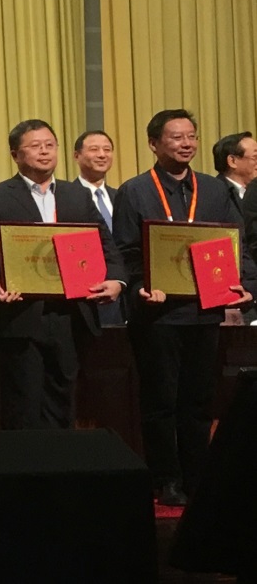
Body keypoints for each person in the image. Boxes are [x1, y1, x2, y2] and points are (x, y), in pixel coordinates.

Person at [114, 109, 256, 506]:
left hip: (205, 311)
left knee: (199, 400)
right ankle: (166, 478)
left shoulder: (213, 190)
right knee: (160, 400)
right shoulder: (134, 191)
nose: (186, 143)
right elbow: (125, 252)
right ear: (154, 143)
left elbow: (237, 245)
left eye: (191, 136)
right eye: (176, 137)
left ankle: (197, 476)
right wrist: (141, 288)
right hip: (157, 315)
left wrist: (246, 287)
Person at [0, 120, 124, 430]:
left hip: (71, 315)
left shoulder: (77, 195)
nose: (44, 151)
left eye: (50, 145)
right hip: (20, 316)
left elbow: (107, 245)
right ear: (15, 154)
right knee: (23, 407)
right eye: (35, 146)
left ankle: (61, 462)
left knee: (64, 405)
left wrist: (117, 280)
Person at [74, 130, 124, 325]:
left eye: (107, 150)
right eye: (94, 149)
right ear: (77, 156)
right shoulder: (67, 197)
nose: (102, 155)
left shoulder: (121, 196)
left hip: (123, 289)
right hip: (87, 289)